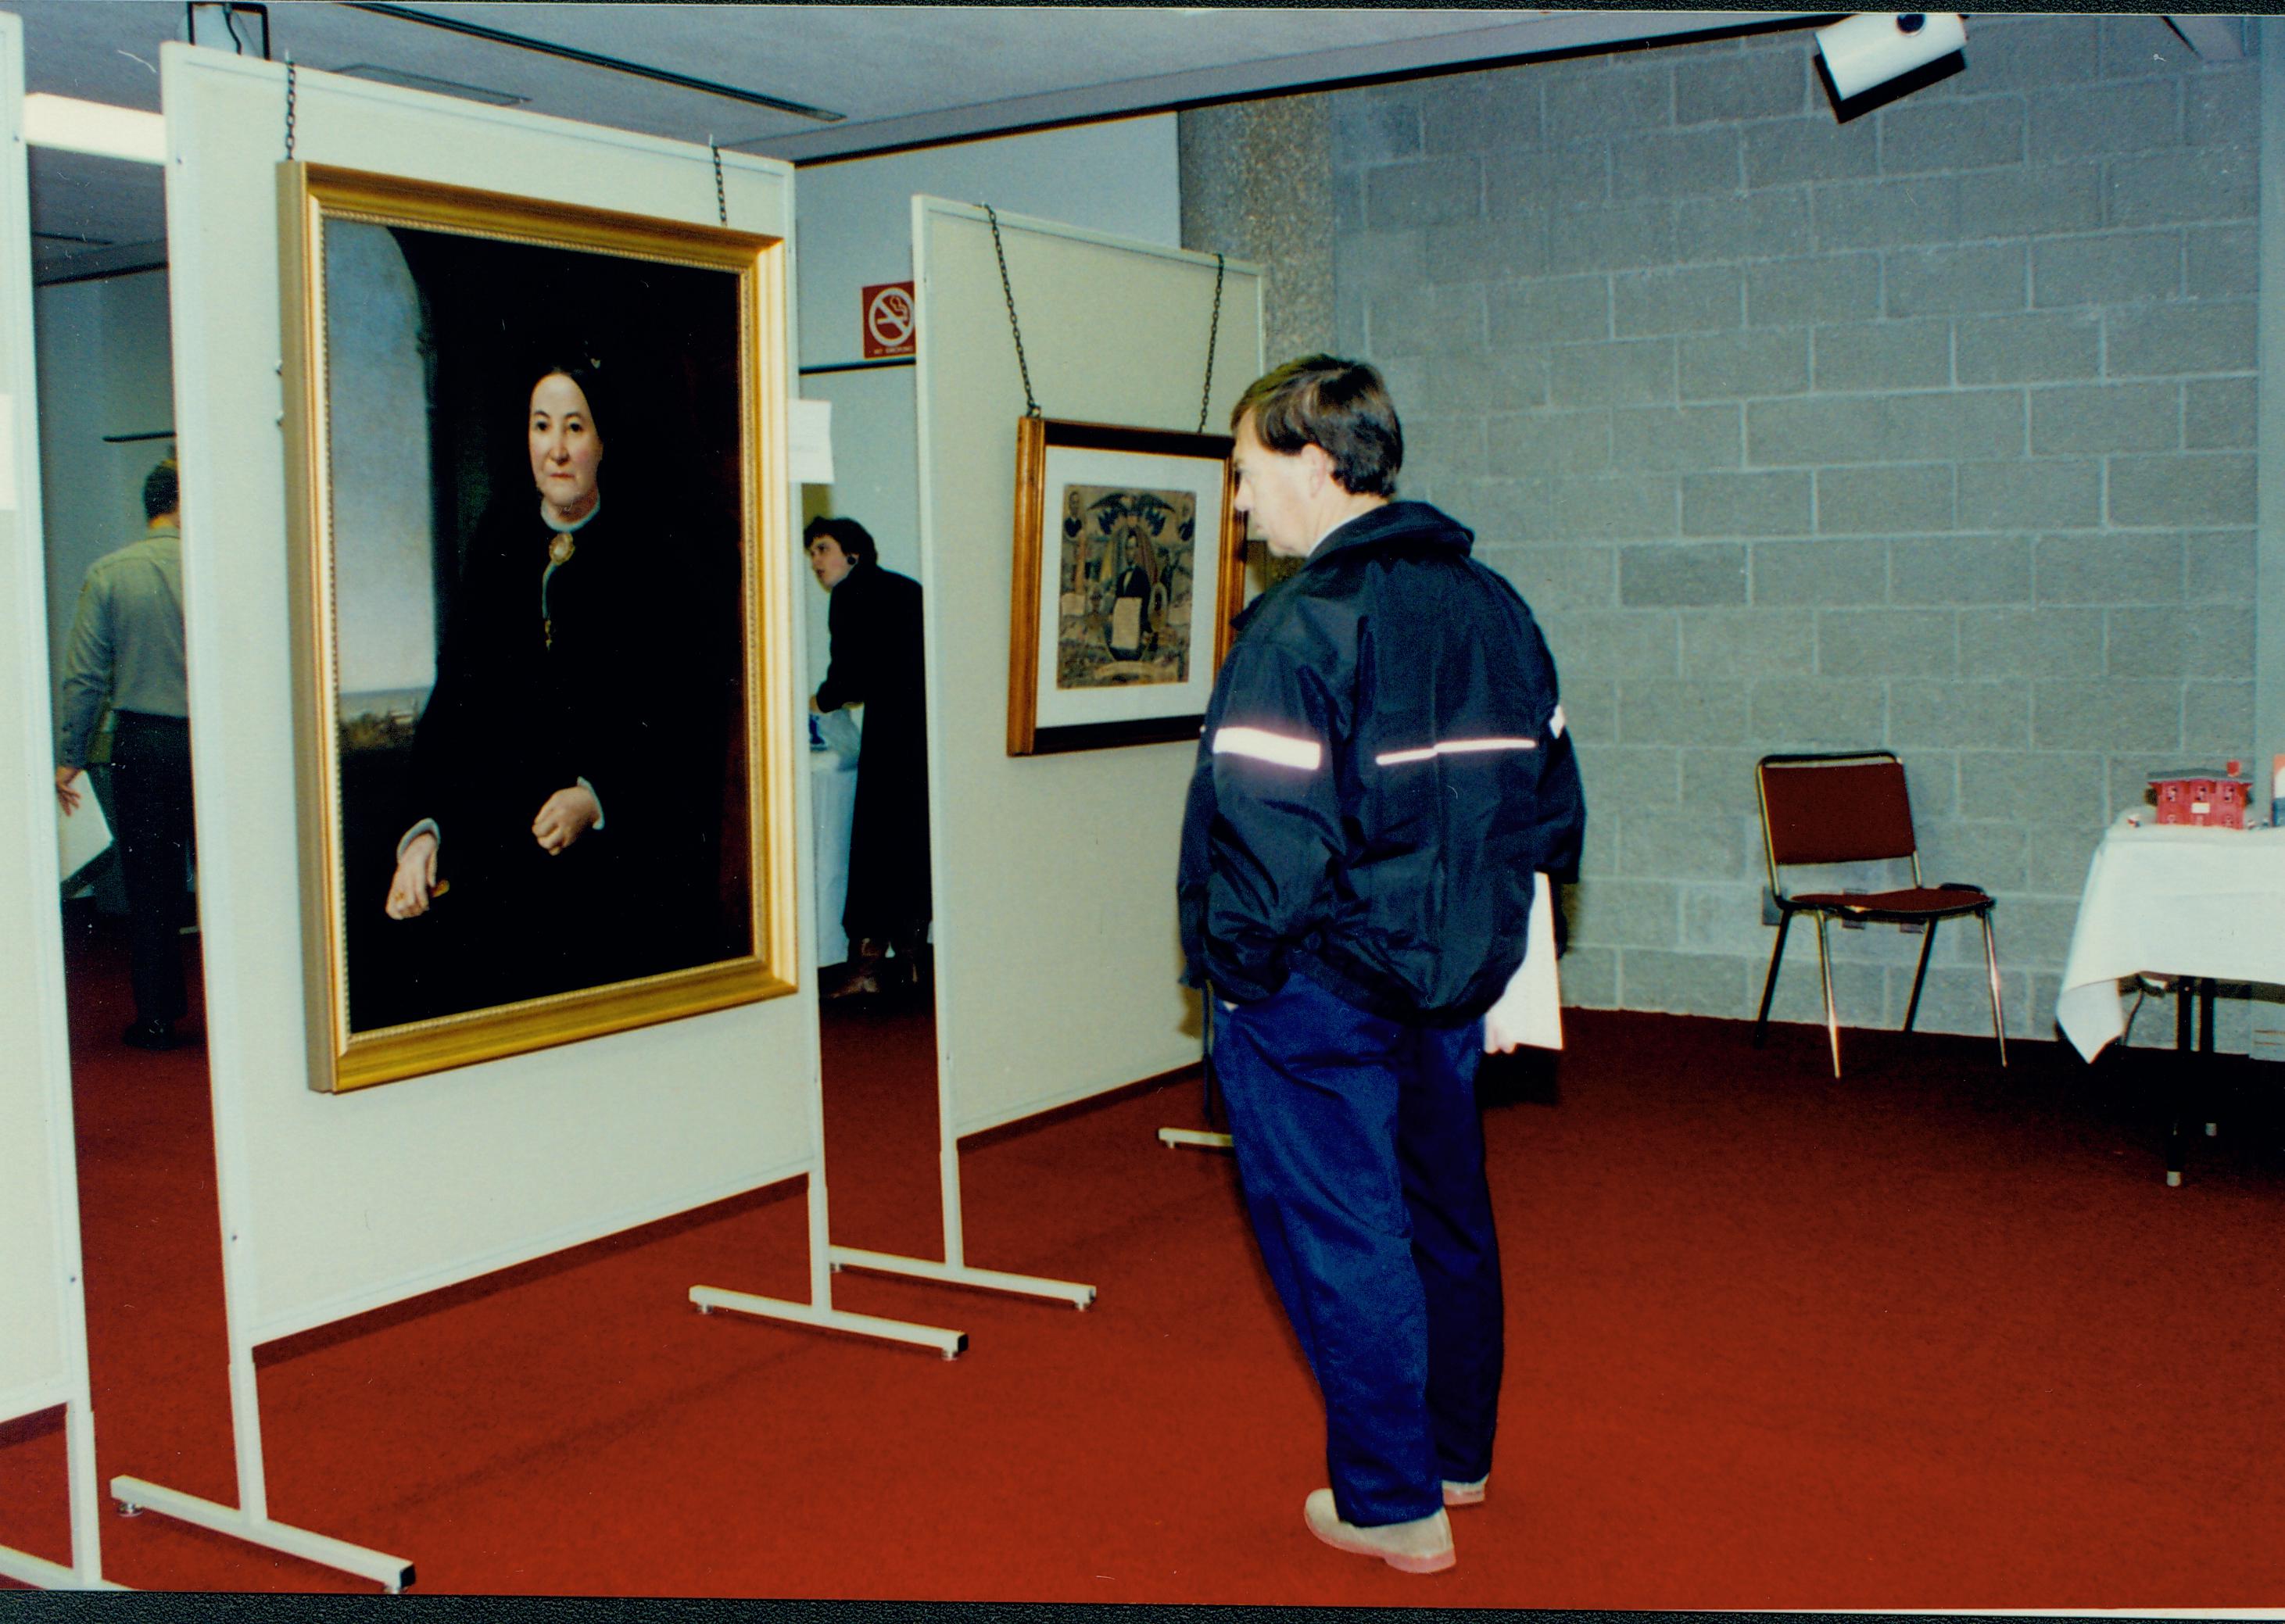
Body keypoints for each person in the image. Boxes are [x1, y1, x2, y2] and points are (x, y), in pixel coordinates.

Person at [1176, 356, 1586, 1575]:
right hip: (1446, 983)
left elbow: (1257, 833)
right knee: (1443, 1217)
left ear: (1315, 460)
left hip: (1316, 989)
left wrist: (1237, 979)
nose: (1239, 506)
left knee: (1342, 1232)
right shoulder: (1493, 606)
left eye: (1245, 473)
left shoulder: (1300, 625)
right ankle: (1455, 1455)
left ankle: (1390, 1502)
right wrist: (1495, 957)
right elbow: (1550, 806)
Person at [382, 361, 732, 1018]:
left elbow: (678, 712)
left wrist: (596, 796)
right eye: (542, 427)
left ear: (602, 441)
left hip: (610, 861)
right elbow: (456, 702)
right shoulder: (497, 545)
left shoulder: (651, 553)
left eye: (575, 427)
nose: (558, 448)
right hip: (500, 853)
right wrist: (422, 833)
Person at [54, 457, 196, 1051]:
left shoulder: (108, 573)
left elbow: (85, 679)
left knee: (152, 885)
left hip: (144, 742)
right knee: (239, 880)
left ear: (150, 507)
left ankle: (159, 1019)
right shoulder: (215, 567)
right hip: (218, 741)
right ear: (184, 503)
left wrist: (69, 756)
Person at [806, 515, 930, 997]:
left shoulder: (849, 594)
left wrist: (821, 700)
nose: (816, 562)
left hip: (890, 729)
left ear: (852, 554)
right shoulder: (906, 588)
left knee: (875, 843)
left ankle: (869, 970)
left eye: (822, 549)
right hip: (923, 726)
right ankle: (915, 959)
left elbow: (849, 678)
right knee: (912, 841)